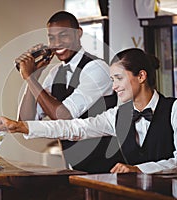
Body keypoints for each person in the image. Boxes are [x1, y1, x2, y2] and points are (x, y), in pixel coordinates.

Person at [0, 48, 177, 174]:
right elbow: (73, 128)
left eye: (119, 78)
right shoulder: (118, 114)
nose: (114, 86)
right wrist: (20, 126)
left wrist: (139, 169)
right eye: (112, 79)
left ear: (141, 76)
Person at [15, 11, 117, 173]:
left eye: (64, 35)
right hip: (75, 168)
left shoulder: (97, 68)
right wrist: (34, 76)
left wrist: (29, 78)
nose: (57, 43)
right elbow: (26, 120)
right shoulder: (55, 73)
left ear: (79, 34)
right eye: (52, 38)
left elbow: (64, 116)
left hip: (108, 167)